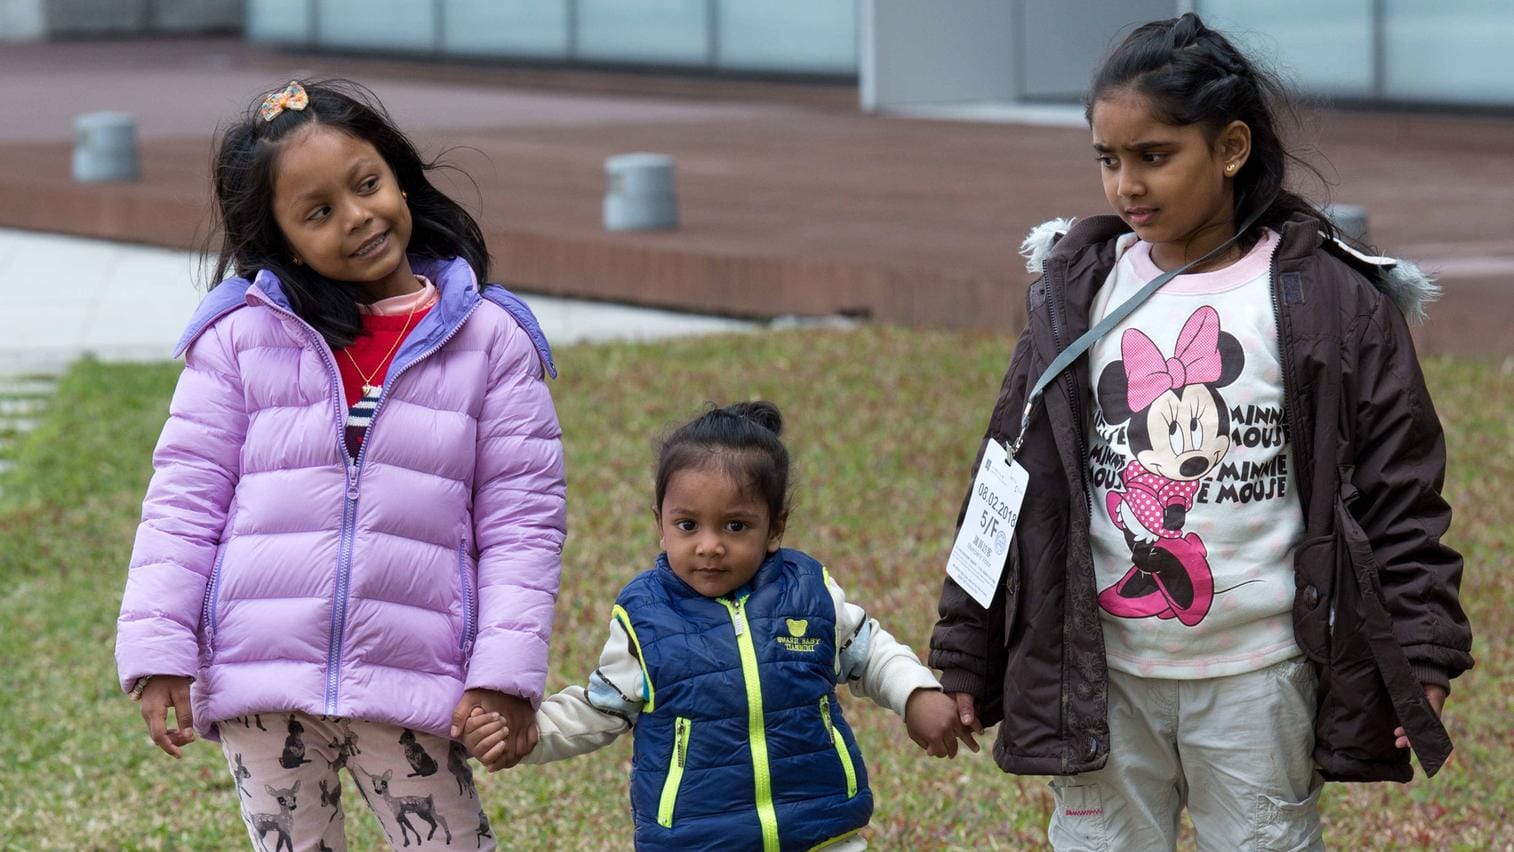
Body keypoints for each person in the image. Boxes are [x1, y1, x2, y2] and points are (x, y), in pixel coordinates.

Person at [930, 14, 1473, 850]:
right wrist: (966, 644)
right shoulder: (1077, 291)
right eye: (1108, 160)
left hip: (1258, 677)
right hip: (1101, 674)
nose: (1126, 186)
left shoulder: (1330, 301)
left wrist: (1423, 650)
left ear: (1230, 148)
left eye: (1154, 156)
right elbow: (1005, 479)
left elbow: (1401, 490)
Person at [114, 79, 567, 850]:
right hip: (263, 684)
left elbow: (524, 524)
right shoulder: (237, 339)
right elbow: (184, 503)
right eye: (318, 212)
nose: (358, 217)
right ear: (283, 238)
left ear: (398, 175)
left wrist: (504, 677)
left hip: (410, 681)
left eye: (368, 185)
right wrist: (160, 652)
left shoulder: (492, 340)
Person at [463, 402, 973, 850]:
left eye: (736, 526)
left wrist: (915, 694)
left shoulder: (808, 591)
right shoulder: (646, 615)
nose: (710, 545)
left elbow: (870, 651)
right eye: (688, 525)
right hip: (696, 838)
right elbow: (600, 710)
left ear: (775, 527)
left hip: (820, 829)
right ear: (660, 523)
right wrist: (529, 733)